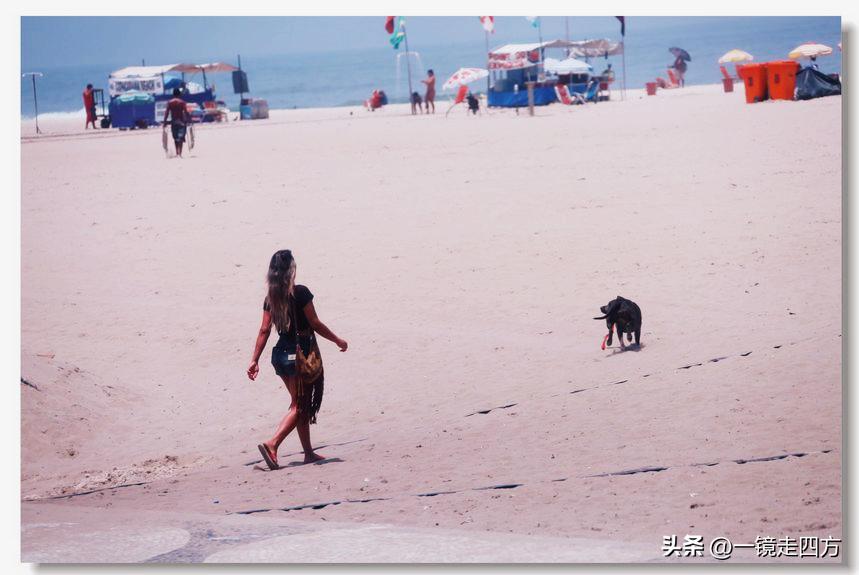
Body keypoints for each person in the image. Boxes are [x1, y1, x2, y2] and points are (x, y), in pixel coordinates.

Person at [247, 249, 348, 470]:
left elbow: (264, 330)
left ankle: (309, 453)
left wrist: (254, 360)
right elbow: (315, 323)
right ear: (291, 269)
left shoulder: (270, 298)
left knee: (300, 402)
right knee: (299, 405)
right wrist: (338, 340)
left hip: (280, 355)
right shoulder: (300, 292)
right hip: (300, 354)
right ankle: (272, 444)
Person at [162, 88, 190, 158]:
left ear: (173, 94)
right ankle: (180, 153)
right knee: (180, 138)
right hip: (181, 122)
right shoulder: (182, 102)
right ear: (179, 94)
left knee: (176, 137)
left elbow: (167, 112)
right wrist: (189, 120)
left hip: (174, 122)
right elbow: (186, 112)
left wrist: (165, 122)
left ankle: (177, 153)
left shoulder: (170, 102)